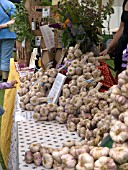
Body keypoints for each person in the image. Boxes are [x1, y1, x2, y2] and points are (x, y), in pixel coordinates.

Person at [100, 0, 128, 76]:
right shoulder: (125, 2)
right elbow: (121, 29)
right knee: (120, 78)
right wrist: (109, 48)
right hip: (123, 46)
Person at [0, 0, 16, 82]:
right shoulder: (9, 4)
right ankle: (5, 80)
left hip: (6, 34)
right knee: (5, 57)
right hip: (8, 34)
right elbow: (14, 20)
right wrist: (2, 26)